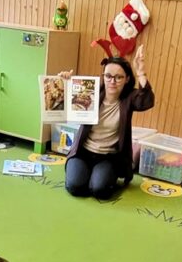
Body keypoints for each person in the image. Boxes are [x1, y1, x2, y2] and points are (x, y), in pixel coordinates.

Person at [63, 46, 155, 199]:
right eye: (108, 76)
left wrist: (140, 72)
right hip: (83, 152)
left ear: (126, 79)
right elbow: (69, 99)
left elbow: (146, 101)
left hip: (108, 156)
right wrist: (65, 81)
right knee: (75, 187)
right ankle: (84, 174)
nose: (112, 81)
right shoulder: (92, 92)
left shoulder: (128, 98)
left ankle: (100, 176)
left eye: (118, 77)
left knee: (99, 190)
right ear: (103, 76)